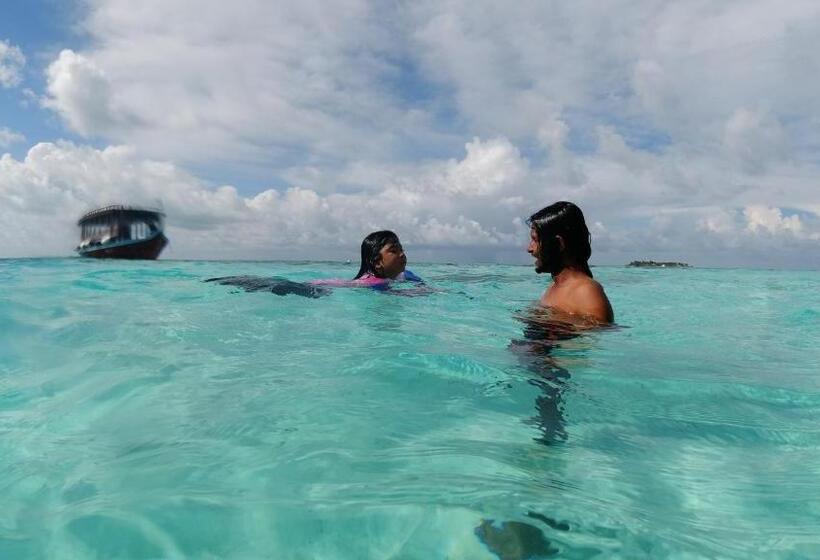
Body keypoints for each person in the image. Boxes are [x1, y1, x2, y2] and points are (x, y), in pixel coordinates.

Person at [526, 201, 613, 324]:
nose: (529, 248)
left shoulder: (586, 292)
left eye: (535, 240)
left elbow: (594, 339)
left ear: (558, 244)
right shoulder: (555, 286)